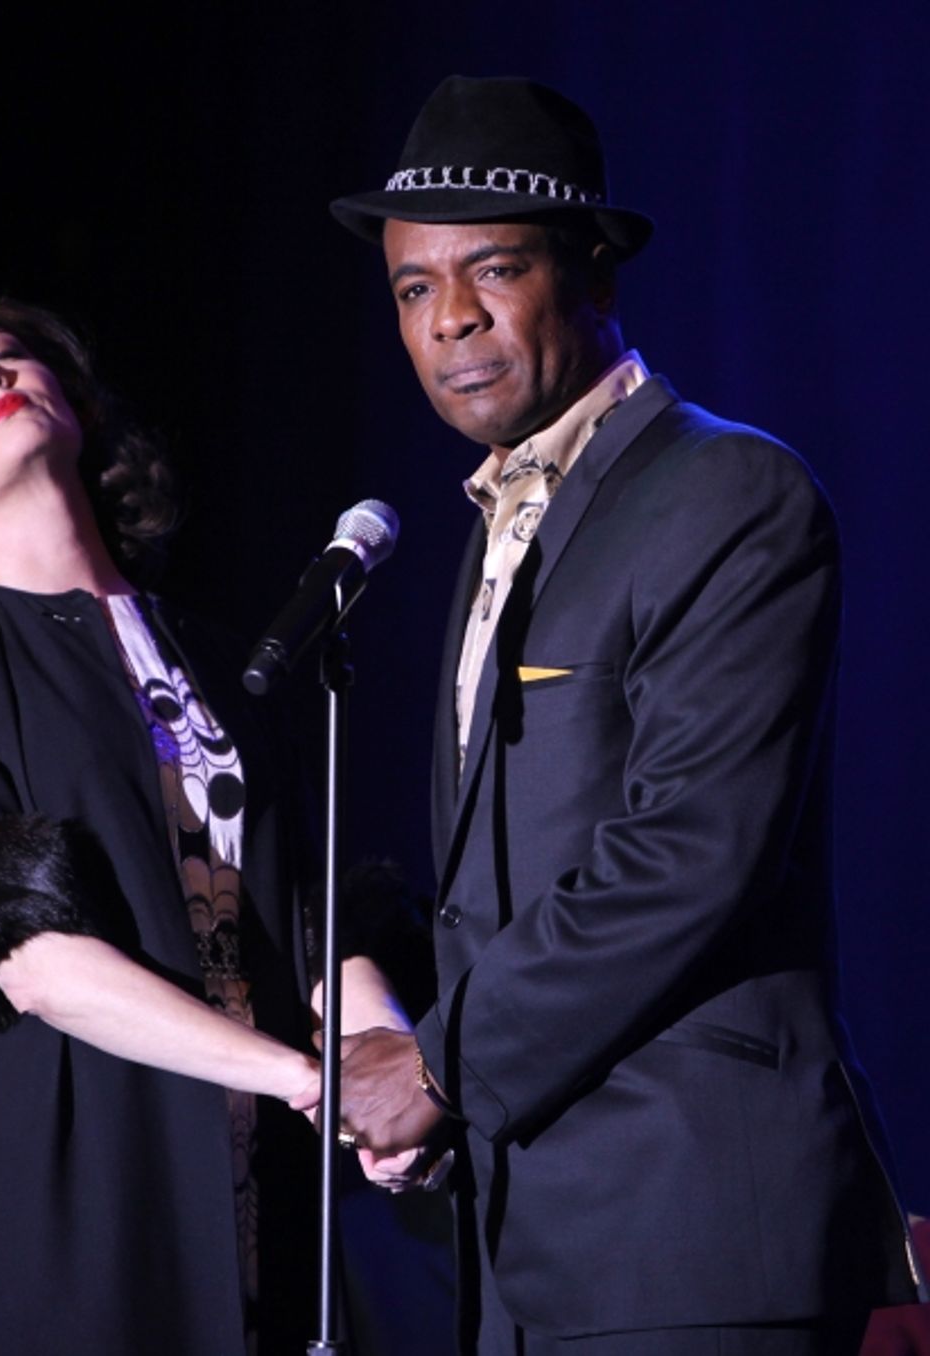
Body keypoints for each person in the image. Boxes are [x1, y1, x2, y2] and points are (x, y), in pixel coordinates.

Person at [324, 77, 925, 1354]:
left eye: (492, 271)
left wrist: (436, 1068)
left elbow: (687, 853)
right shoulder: (502, 525)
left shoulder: (728, 495)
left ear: (594, 271)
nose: (452, 321)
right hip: (526, 1243)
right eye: (413, 289)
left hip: (693, 1234)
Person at [0, 262, 405, 1355]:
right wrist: (305, 1078)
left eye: (1, 350)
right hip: (64, 1197)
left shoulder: (237, 662)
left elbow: (318, 913)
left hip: (260, 1196)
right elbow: (34, 963)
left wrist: (386, 1055)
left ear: (73, 399)